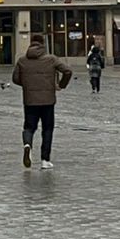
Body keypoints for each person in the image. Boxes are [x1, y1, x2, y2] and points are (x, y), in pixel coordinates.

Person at [13, 32, 72, 169]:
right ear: (43, 44)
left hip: (30, 100)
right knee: (47, 129)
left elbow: (15, 79)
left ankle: (27, 144)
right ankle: (45, 160)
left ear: (31, 43)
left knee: (29, 127)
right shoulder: (51, 59)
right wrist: (61, 85)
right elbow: (67, 71)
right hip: (48, 101)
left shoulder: (22, 60)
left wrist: (28, 84)